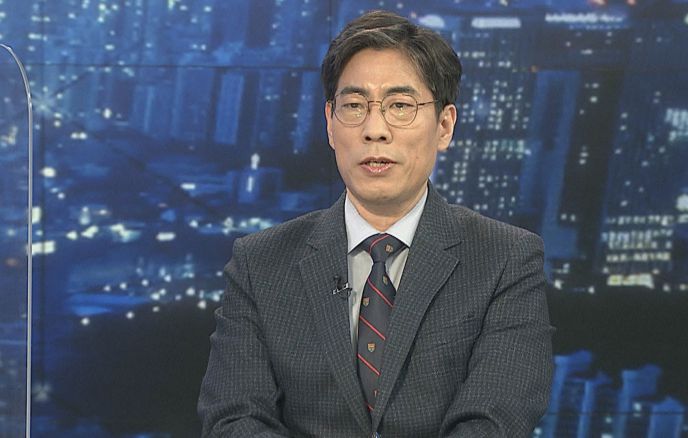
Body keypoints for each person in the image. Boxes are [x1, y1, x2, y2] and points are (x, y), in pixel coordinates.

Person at [198, 10, 554, 437]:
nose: (375, 130)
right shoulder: (260, 262)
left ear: (444, 126)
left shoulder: (505, 259)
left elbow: (494, 421)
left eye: (400, 106)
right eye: (354, 106)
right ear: (330, 125)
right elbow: (235, 418)